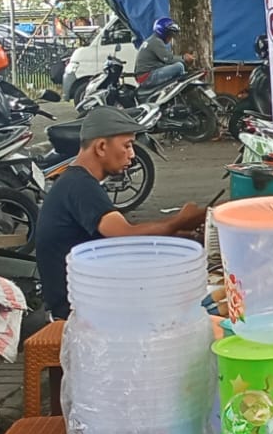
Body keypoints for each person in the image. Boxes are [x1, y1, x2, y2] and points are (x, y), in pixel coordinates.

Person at [34, 105, 206, 319]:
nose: (132, 155)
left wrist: (181, 236)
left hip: (88, 297)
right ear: (101, 147)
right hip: (76, 310)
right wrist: (179, 221)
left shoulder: (77, 181)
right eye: (127, 145)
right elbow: (125, 234)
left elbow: (117, 239)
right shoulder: (80, 186)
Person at [135, 16, 188, 88]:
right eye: (170, 34)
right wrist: (184, 58)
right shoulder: (156, 42)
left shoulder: (152, 40)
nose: (171, 38)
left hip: (144, 76)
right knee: (179, 67)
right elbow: (168, 59)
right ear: (164, 32)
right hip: (147, 77)